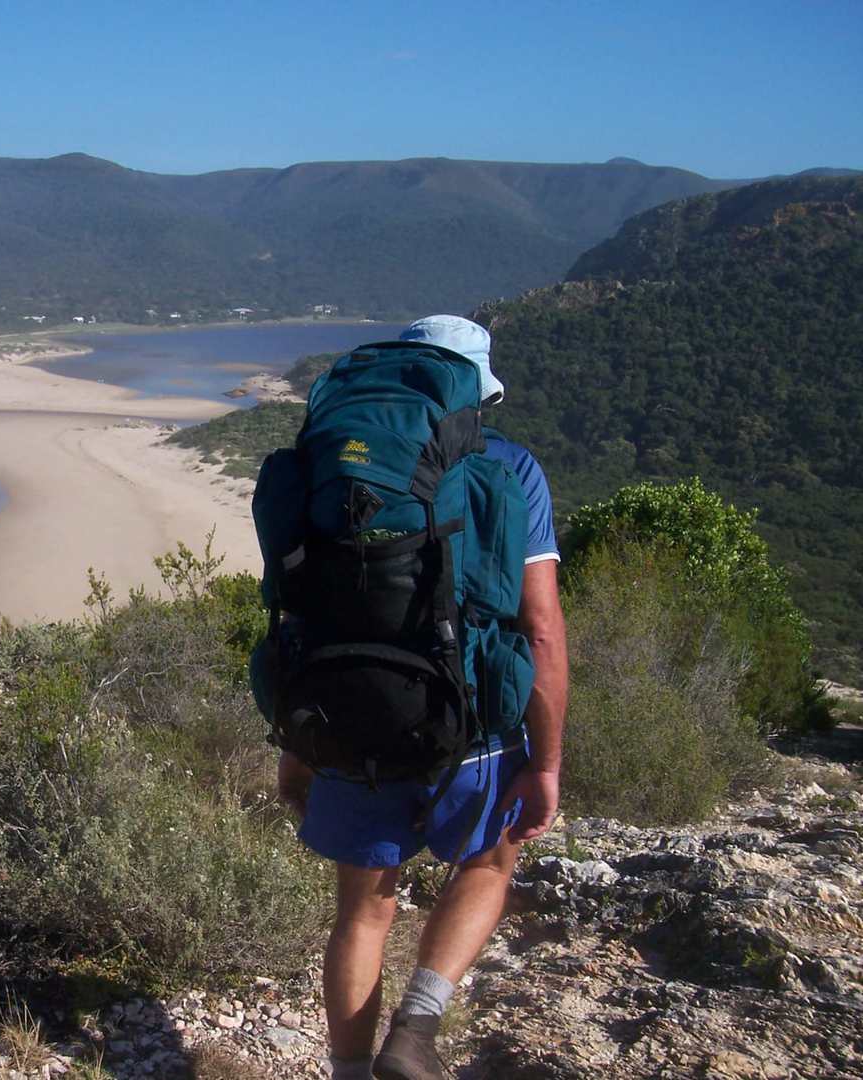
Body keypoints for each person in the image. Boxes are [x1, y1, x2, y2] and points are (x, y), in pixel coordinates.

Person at [278, 314, 569, 1080]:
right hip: (470, 725)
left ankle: (347, 1073)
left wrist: (293, 748)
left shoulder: (328, 468)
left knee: (363, 910)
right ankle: (418, 1024)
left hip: (342, 717)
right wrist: (545, 763)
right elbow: (538, 632)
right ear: (475, 390)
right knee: (487, 864)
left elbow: (299, 614)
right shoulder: (510, 468)